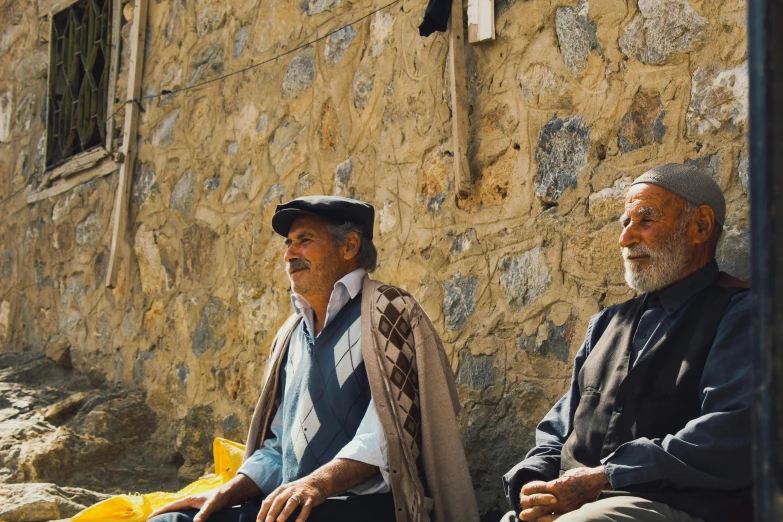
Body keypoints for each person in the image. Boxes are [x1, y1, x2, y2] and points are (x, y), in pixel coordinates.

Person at [149, 196, 479, 522]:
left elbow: (385, 437)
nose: (289, 254)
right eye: (289, 243)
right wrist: (225, 492)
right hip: (294, 504)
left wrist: (317, 483)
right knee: (172, 520)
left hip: (362, 506)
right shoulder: (291, 334)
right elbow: (278, 451)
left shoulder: (386, 309)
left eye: (304, 240)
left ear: (349, 246)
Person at [501, 164, 751, 522]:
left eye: (645, 221)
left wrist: (605, 476)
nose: (625, 238)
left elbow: (733, 430)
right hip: (581, 502)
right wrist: (536, 482)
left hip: (678, 504)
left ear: (701, 226)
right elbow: (558, 428)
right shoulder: (606, 324)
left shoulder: (741, 313)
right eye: (624, 223)